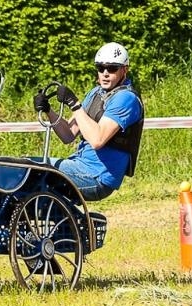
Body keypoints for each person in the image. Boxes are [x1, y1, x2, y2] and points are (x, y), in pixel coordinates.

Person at [33, 42, 145, 201]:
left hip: (97, 176)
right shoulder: (95, 93)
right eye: (101, 68)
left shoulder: (126, 98)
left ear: (124, 70)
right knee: (22, 167)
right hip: (79, 166)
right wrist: (48, 110)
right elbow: (68, 134)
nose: (105, 73)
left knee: (30, 168)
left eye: (112, 68)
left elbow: (98, 140)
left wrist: (74, 103)